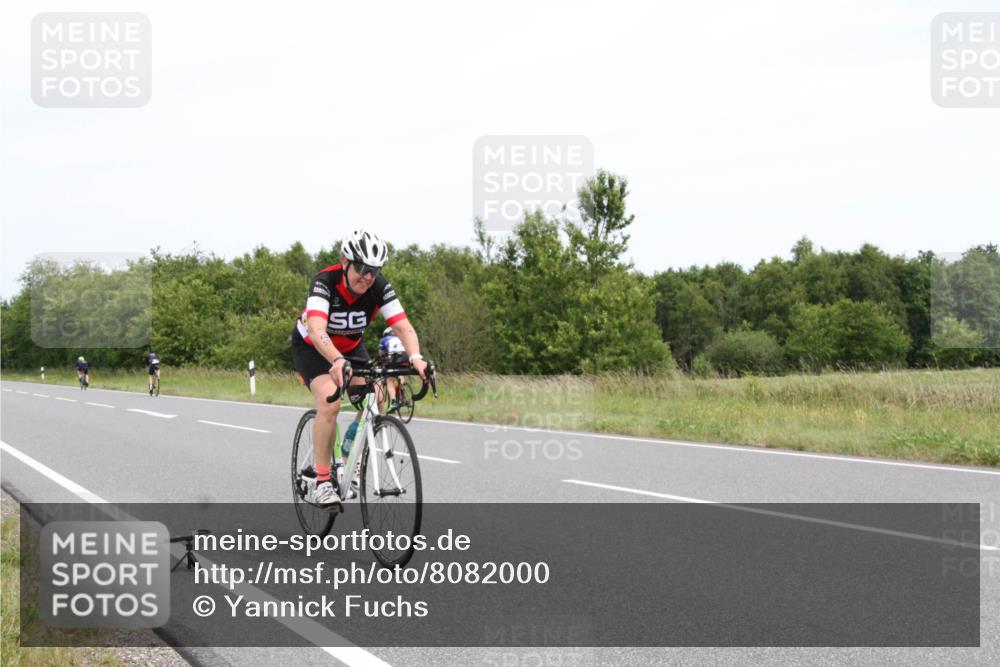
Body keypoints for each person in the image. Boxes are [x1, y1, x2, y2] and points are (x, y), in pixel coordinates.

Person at [291, 230, 428, 511]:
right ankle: (322, 482)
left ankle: (347, 455)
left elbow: (403, 327)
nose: (367, 277)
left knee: (376, 395)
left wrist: (416, 357)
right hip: (313, 347)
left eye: (374, 271)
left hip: (351, 347)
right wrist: (337, 361)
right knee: (330, 401)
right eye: (363, 268)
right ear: (345, 262)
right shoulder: (324, 282)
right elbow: (317, 332)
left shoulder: (378, 287)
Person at [379, 326, 407, 408]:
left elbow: (381, 354)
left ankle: (393, 401)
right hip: (407, 357)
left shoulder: (384, 339)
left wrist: (382, 361)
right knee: (400, 373)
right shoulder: (401, 338)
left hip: (396, 357)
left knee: (389, 380)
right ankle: (402, 393)